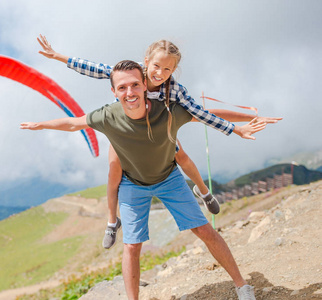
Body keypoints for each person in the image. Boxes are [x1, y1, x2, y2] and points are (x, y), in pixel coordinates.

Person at [20, 60, 280, 299]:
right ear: (113, 91)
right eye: (122, 87)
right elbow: (73, 123)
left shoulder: (167, 112)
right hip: (133, 185)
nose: (130, 92)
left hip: (170, 179)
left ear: (145, 85)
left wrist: (250, 118)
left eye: (135, 84)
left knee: (205, 230)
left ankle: (241, 285)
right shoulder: (107, 116)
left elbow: (207, 114)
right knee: (132, 247)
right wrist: (41, 125)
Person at [37, 35, 282, 249]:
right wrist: (57, 56)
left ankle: (204, 192)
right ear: (146, 62)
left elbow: (201, 113)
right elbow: (94, 68)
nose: (160, 73)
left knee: (181, 157)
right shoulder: (133, 74)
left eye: (168, 69)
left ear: (174, 70)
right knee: (114, 171)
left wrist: (236, 128)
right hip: (127, 133)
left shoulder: (174, 90)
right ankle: (112, 222)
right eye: (156, 66)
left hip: (159, 131)